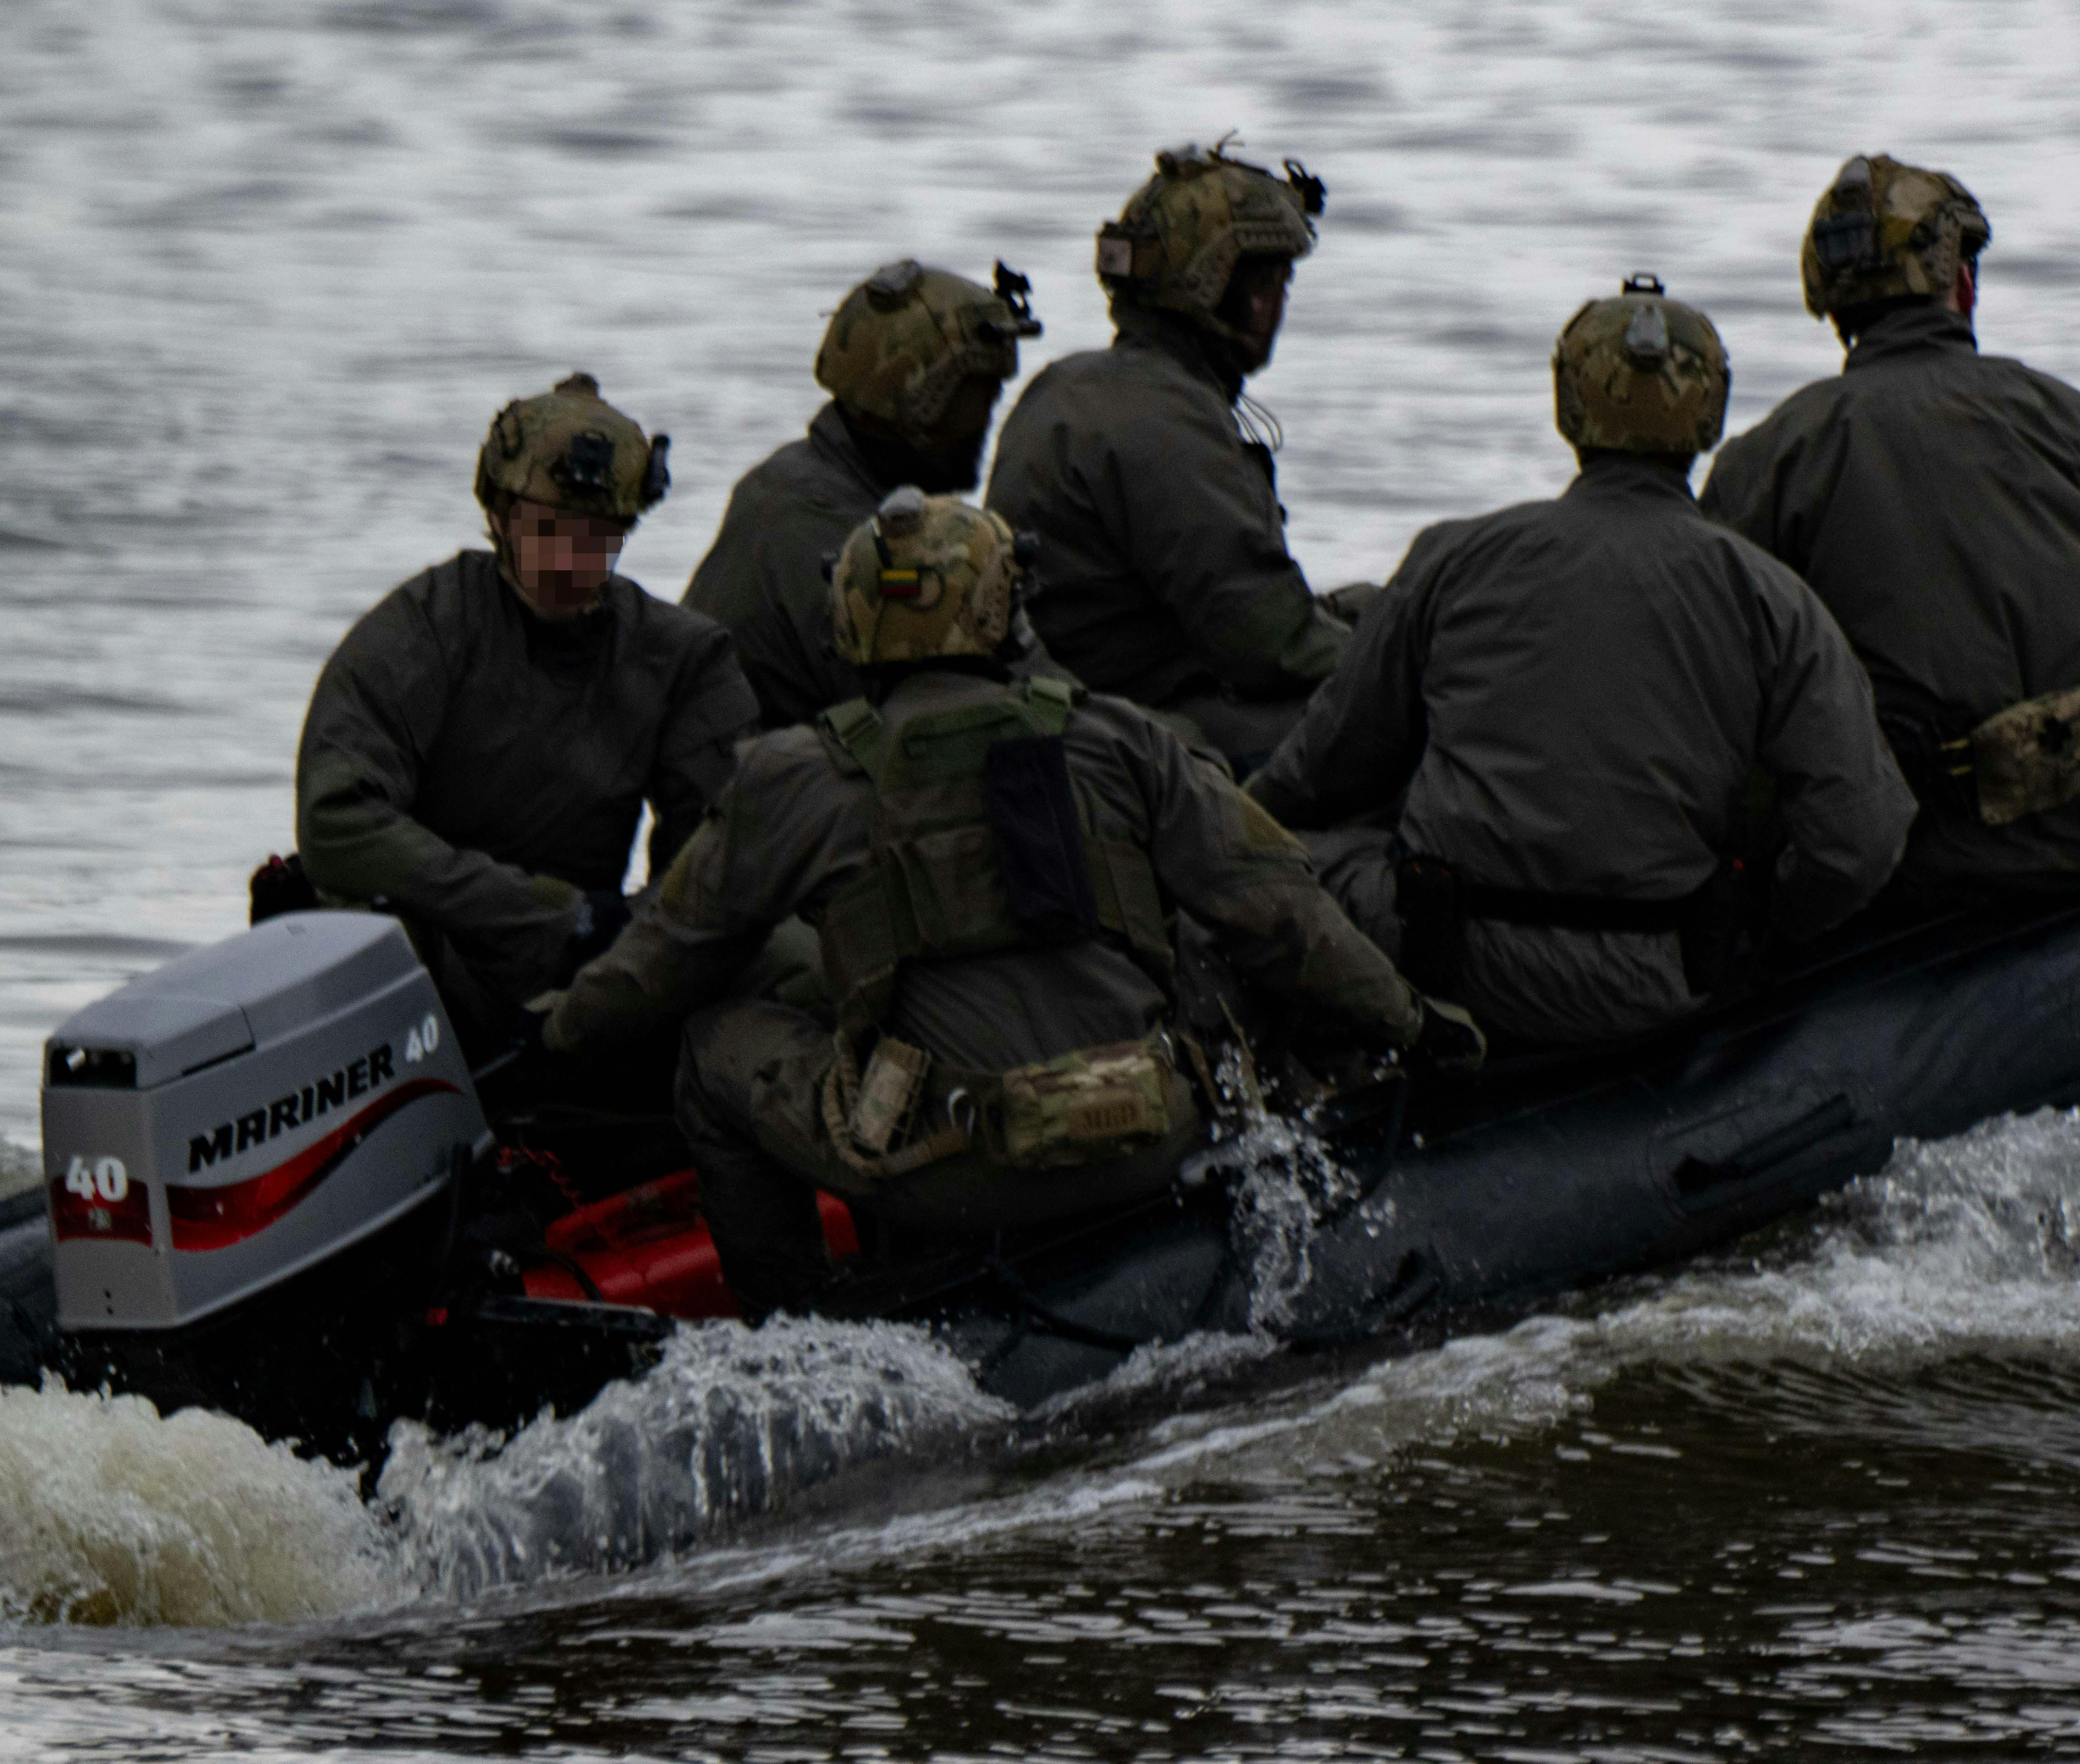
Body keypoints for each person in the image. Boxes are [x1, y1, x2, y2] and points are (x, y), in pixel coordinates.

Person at [542, 488, 1479, 1318]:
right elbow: (1284, 916)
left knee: (713, 1050)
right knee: (1218, 952)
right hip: (1147, 1133)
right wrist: (1411, 1019)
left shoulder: (793, 778)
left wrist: (557, 1034)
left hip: (947, 1172)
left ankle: (806, 1327)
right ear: (1002, 608)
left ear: (853, 618)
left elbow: (662, 960)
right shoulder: (1124, 740)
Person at [1246, 279, 1917, 1051]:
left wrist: (1228, 824)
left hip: (1458, 962)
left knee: (1297, 859)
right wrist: (1764, 922)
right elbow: (1859, 840)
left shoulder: (1455, 556)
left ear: (1568, 406)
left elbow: (1321, 771)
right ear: (1710, 415)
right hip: (1656, 981)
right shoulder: (1773, 598)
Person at [1699, 154, 2080, 896]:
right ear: (1960, 283)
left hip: (1901, 875)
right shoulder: (2069, 421)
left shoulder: (1763, 465)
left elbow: (1714, 698)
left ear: (1828, 303)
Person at [293, 374, 758, 1059]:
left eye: (597, 537)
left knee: (783, 949)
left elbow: (723, 856)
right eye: (547, 531)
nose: (569, 560)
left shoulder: (682, 656)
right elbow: (337, 823)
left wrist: (627, 943)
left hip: (606, 968)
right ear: (502, 514)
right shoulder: (428, 627)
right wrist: (541, 912)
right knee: (348, 932)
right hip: (441, 957)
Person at [984, 142, 1366, 772]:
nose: (1277, 304)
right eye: (1270, 282)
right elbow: (1267, 640)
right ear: (1218, 287)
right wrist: (1397, 672)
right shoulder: (1167, 421)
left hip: (1084, 698)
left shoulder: (1069, 383)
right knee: (1401, 719)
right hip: (1135, 727)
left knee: (1387, 608)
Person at [683, 258, 1046, 730]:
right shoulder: (843, 535)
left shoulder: (788, 478)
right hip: (784, 792)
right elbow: (944, 722)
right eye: (976, 399)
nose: (985, 422)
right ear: (918, 402)